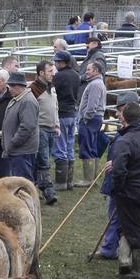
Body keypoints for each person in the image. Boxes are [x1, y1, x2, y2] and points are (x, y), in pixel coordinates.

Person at [107, 102, 140, 279]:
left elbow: (120, 169)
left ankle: (138, 270)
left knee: (134, 228)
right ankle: (124, 261)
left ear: (125, 118)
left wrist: (119, 188)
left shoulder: (125, 141)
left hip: (131, 191)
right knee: (131, 224)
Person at [0, 72, 39, 181]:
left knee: (23, 181)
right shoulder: (18, 98)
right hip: (18, 150)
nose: (10, 89)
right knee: (19, 180)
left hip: (22, 151)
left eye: (11, 86)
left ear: (18, 86)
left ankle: (25, 198)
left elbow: (27, 127)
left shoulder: (27, 101)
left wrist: (13, 142)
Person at [74, 61, 107, 185]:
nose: (86, 72)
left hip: (90, 119)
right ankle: (92, 179)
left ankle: (88, 180)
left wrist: (85, 118)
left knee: (87, 146)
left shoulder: (95, 85)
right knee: (92, 146)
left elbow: (92, 105)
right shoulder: (98, 83)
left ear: (96, 71)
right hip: (95, 118)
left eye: (89, 69)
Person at [32, 61, 59, 205]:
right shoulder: (33, 90)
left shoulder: (51, 88)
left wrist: (57, 124)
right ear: (41, 73)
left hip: (50, 129)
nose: (52, 73)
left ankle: (34, 187)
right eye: (49, 71)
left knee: (42, 159)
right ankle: (49, 192)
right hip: (40, 128)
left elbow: (55, 107)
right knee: (43, 161)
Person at [52, 51, 80, 190]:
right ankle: (69, 182)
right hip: (72, 113)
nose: (55, 64)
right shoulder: (76, 75)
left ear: (62, 62)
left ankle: (61, 182)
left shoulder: (58, 76)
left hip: (62, 113)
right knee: (69, 146)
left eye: (57, 62)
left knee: (60, 146)